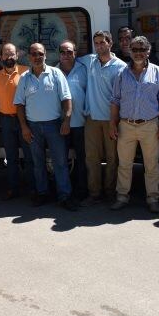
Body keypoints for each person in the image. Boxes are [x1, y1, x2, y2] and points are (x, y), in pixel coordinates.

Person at [109, 36, 159, 213]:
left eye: (142, 49)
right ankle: (122, 196)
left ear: (148, 51)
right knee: (125, 164)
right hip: (126, 125)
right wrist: (113, 124)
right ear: (129, 51)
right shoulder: (121, 73)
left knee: (152, 164)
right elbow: (115, 100)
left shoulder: (158, 72)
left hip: (149, 125)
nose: (138, 53)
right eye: (134, 49)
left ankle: (152, 198)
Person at [14, 43, 77, 211]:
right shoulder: (24, 78)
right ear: (29, 57)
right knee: (37, 163)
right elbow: (19, 105)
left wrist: (66, 121)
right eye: (33, 54)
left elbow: (66, 99)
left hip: (54, 125)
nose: (37, 57)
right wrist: (24, 128)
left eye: (40, 53)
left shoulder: (56, 74)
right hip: (32, 127)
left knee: (61, 162)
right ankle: (42, 193)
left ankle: (64, 195)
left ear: (45, 55)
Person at [79, 31, 127, 206]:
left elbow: (121, 97)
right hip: (91, 119)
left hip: (111, 120)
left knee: (113, 158)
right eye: (96, 43)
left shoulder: (120, 67)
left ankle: (110, 193)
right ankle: (94, 194)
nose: (99, 46)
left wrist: (116, 121)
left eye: (102, 42)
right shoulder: (90, 61)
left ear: (110, 43)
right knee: (92, 158)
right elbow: (69, 60)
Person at [0, 42, 33, 200]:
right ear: (1, 57)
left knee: (29, 156)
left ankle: (32, 189)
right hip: (6, 122)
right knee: (11, 158)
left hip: (25, 121)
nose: (9, 57)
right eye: (6, 54)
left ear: (17, 55)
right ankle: (14, 189)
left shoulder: (26, 72)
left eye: (11, 54)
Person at [57, 40, 88, 200]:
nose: (66, 55)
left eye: (70, 52)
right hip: (61, 125)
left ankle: (82, 191)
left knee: (82, 160)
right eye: (63, 52)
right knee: (62, 161)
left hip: (81, 124)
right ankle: (64, 192)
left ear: (75, 53)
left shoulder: (84, 69)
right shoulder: (53, 72)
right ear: (59, 54)